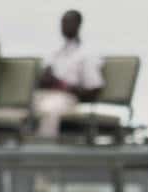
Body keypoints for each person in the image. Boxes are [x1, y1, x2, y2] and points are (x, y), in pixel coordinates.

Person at [35, 10, 103, 138]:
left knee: (49, 108)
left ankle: (43, 146)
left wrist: (63, 86)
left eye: (67, 22)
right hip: (46, 94)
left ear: (78, 24)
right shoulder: (56, 52)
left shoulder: (86, 54)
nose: (63, 26)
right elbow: (44, 76)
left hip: (68, 98)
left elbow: (94, 89)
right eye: (62, 22)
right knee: (20, 106)